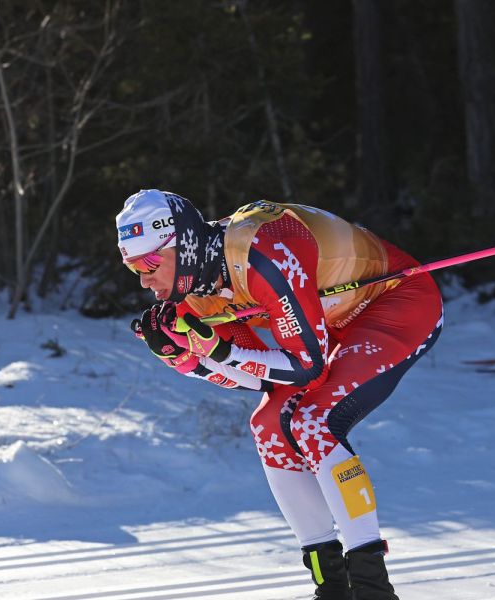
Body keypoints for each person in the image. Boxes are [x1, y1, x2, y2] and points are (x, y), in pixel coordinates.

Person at [115, 189, 443, 600]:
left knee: (313, 420)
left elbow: (306, 367)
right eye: (133, 268)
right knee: (268, 425)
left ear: (184, 247)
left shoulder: (263, 250)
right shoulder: (196, 289)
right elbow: (263, 380)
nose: (144, 279)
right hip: (330, 324)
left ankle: (372, 588)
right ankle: (330, 586)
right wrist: (188, 361)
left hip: (395, 300)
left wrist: (221, 352)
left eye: (149, 263)